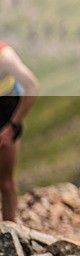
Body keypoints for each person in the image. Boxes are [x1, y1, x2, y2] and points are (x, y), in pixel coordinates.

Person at [0, 40, 39, 221]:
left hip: (5, 116)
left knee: (5, 182)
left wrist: (13, 126)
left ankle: (10, 228)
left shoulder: (5, 58)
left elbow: (32, 86)